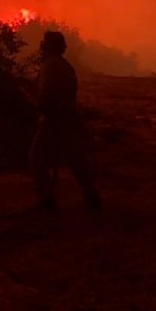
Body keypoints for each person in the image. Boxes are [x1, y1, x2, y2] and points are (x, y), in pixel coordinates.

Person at [29, 30, 101, 212]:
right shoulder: (65, 66)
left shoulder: (49, 67)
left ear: (47, 46)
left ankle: (46, 201)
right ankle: (92, 195)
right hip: (69, 120)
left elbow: (46, 98)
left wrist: (35, 105)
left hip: (53, 121)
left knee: (37, 160)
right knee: (76, 161)